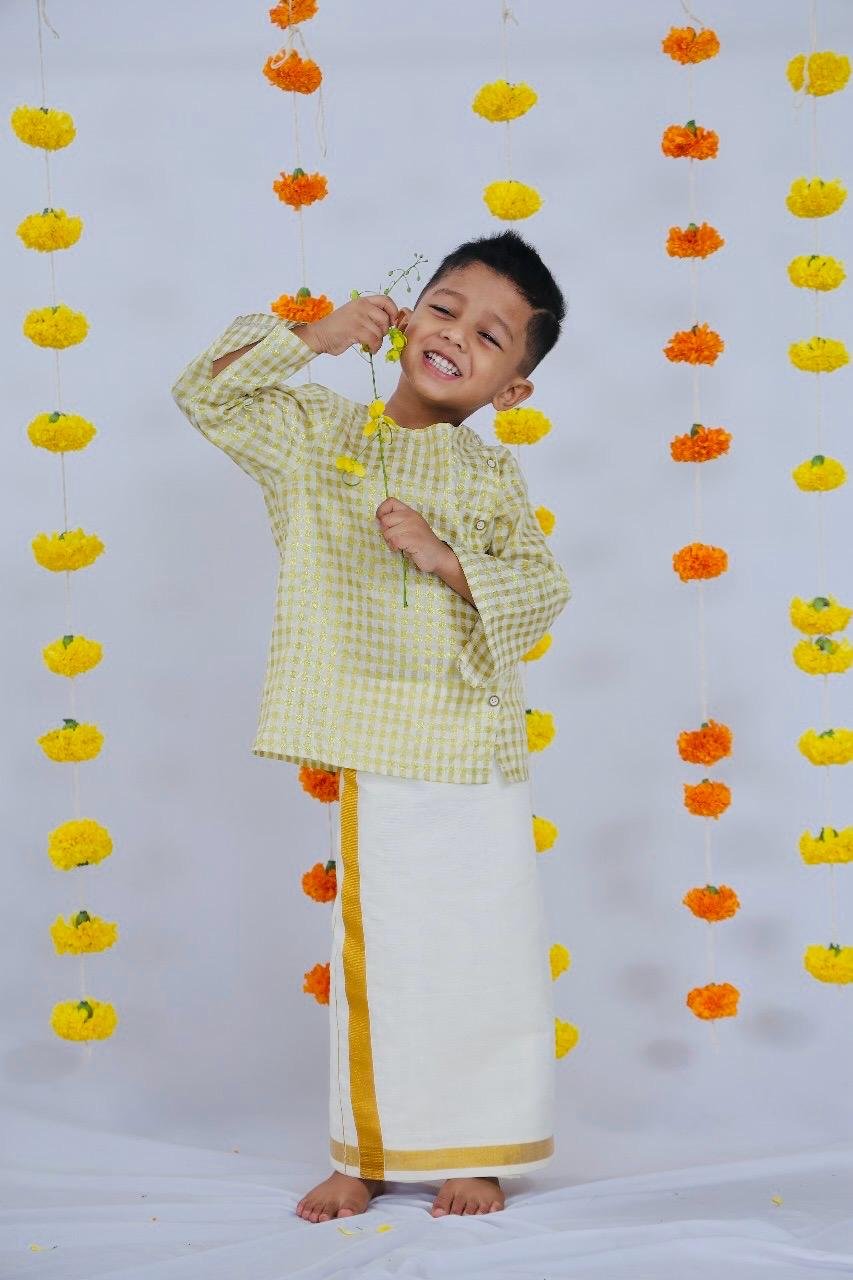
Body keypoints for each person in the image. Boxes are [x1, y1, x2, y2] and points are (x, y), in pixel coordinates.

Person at [171, 229, 571, 1221]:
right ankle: (367, 1149)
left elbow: (542, 590)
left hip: (473, 742)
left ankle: (475, 1148)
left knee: (483, 948)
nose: (456, 336)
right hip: (374, 734)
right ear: (405, 315)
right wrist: (309, 337)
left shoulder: (489, 477)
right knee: (382, 948)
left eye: (490, 337)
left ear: (512, 389)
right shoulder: (316, 433)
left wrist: (443, 557)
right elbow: (205, 395)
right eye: (445, 308)